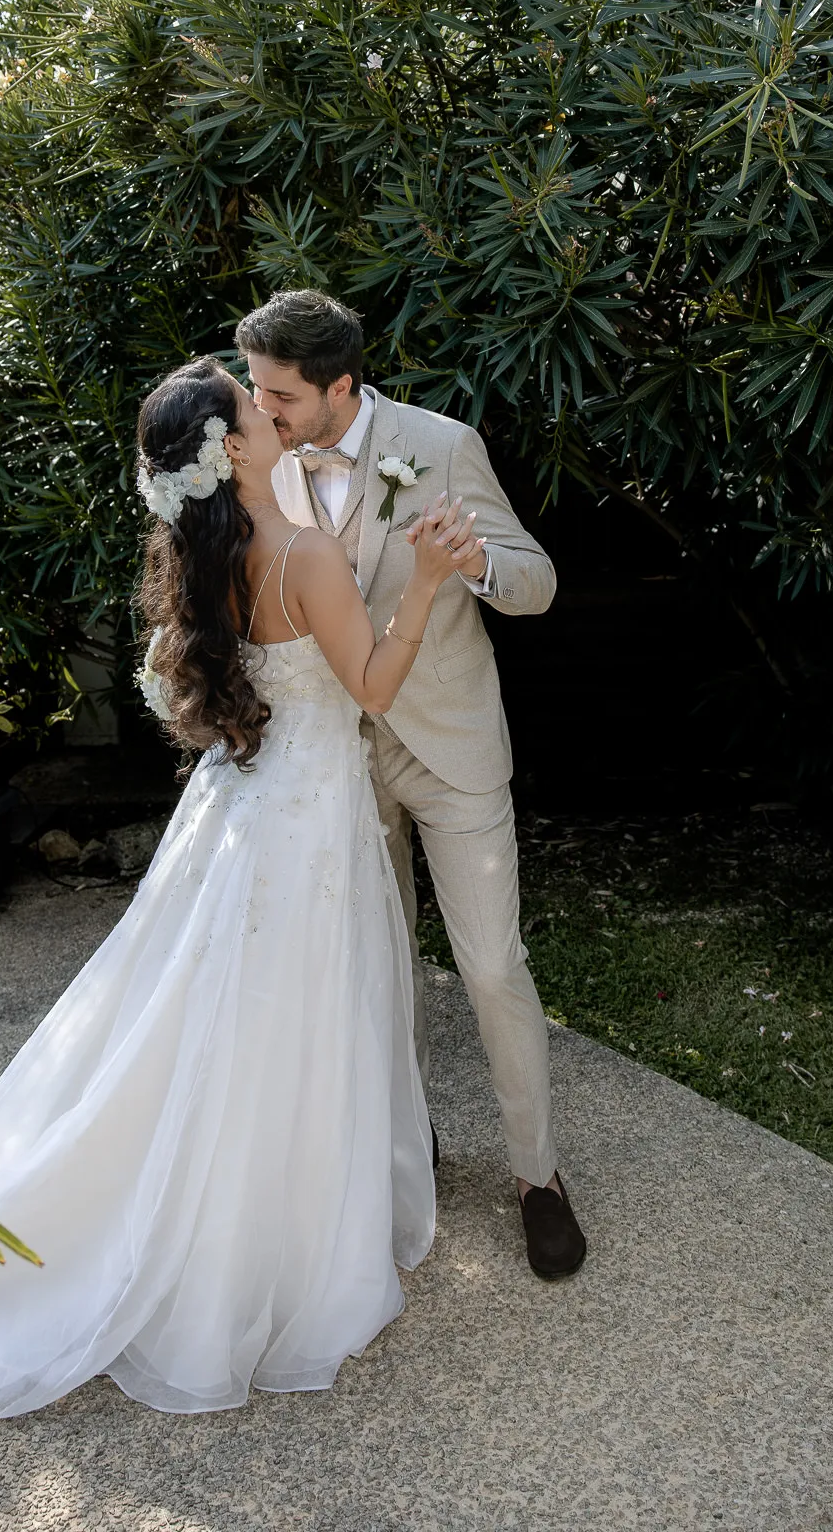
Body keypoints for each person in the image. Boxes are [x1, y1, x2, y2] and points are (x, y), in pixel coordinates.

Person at [0, 356, 478, 1421]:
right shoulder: (304, 553)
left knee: (204, 1014)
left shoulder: (206, 552)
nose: (269, 413)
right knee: (291, 1018)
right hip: (305, 819)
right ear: (232, 450)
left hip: (237, 806)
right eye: (253, 408)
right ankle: (266, 1237)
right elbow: (370, 687)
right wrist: (426, 586)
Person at [235, 289, 586, 1279]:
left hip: (450, 748)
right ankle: (407, 1142)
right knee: (379, 968)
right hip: (336, 757)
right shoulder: (260, 457)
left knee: (491, 967)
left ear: (342, 386)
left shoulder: (440, 445)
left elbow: (536, 580)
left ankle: (537, 1175)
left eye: (279, 395)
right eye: (256, 389)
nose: (260, 410)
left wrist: (475, 562)